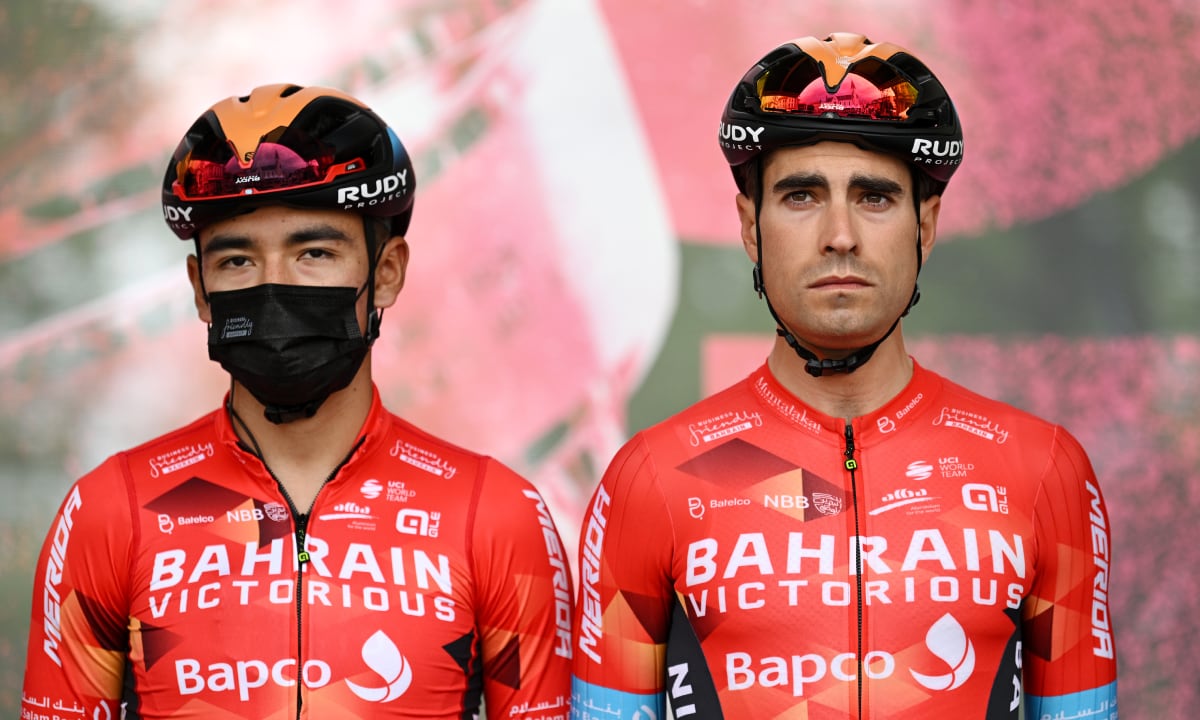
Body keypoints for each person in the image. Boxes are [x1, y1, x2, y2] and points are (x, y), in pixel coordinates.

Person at [570, 33, 1117, 719]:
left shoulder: (1041, 472)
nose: (840, 235)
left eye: (875, 198)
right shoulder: (652, 479)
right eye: (801, 196)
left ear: (928, 222)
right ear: (749, 226)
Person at [21, 83, 573, 719]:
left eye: (314, 253)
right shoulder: (111, 510)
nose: (273, 286)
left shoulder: (495, 515)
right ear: (201, 290)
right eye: (236, 261)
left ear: (387, 272)